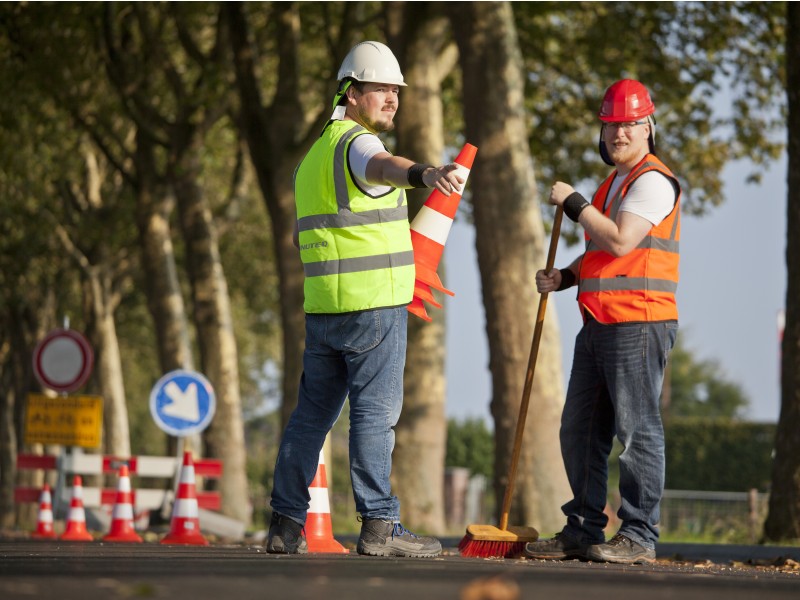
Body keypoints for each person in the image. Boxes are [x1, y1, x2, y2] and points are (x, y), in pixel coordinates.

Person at [266, 41, 464, 557]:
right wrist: (425, 174)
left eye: (396, 90)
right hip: (374, 307)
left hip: (324, 308)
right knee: (375, 417)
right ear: (350, 94)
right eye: (381, 88)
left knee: (310, 418)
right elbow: (384, 166)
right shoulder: (359, 145)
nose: (392, 98)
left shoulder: (312, 159)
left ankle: (285, 525)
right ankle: (379, 527)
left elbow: (298, 234)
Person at [524, 79, 681, 564]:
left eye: (629, 124)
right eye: (611, 125)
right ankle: (583, 528)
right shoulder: (613, 184)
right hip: (598, 323)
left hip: (638, 323)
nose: (618, 134)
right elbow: (599, 255)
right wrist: (566, 276)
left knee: (636, 431)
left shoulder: (652, 181)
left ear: (648, 126)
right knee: (579, 429)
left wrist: (574, 203)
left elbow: (619, 241)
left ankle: (638, 535)